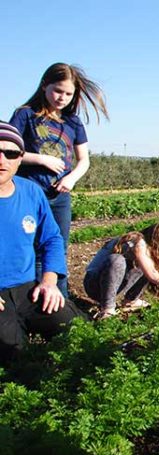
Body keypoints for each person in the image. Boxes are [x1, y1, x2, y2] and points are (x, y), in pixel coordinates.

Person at [10, 63, 109, 297]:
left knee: (57, 248)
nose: (62, 98)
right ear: (45, 85)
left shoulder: (72, 122)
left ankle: (59, 300)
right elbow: (8, 150)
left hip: (60, 196)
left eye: (68, 93)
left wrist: (72, 179)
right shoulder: (25, 114)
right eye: (58, 91)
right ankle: (31, 300)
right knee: (32, 248)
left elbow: (83, 160)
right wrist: (41, 159)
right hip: (31, 194)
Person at [0, 122, 87, 364]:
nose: (2, 160)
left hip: (27, 288)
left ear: (20, 159)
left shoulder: (31, 192)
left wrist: (49, 282)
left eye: (10, 153)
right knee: (13, 357)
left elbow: (51, 239)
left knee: (78, 330)